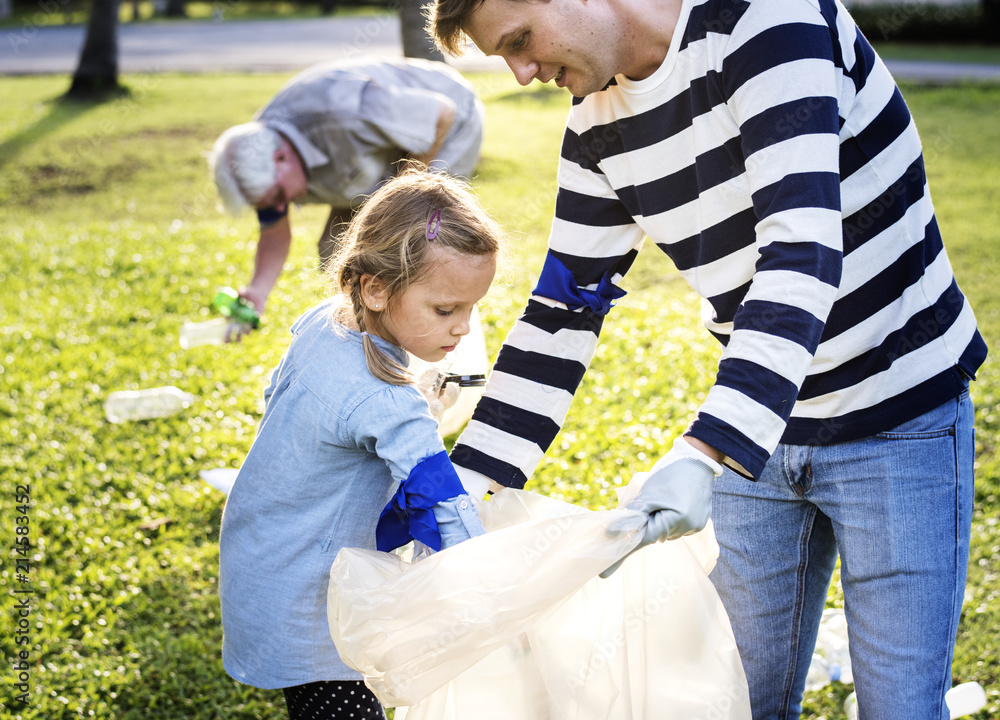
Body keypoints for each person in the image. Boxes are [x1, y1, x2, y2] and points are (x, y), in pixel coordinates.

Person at [428, 0, 988, 717]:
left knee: (901, 708)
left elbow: (802, 255)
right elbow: (563, 316)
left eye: (521, 41)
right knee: (734, 699)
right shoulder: (596, 128)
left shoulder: (768, 22)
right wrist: (460, 497)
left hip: (899, 416)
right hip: (761, 433)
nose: (522, 72)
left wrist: (705, 450)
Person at [217, 169, 505, 719]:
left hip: (262, 557)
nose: (465, 328)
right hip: (320, 608)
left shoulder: (325, 323)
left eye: (472, 308)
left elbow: (276, 393)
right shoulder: (390, 405)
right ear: (375, 287)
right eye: (445, 310)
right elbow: (444, 508)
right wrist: (493, 601)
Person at [209, 57, 485, 320]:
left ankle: (439, 328)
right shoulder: (258, 154)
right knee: (335, 248)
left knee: (410, 243)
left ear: (281, 157)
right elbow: (274, 232)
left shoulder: (344, 112)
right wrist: (258, 292)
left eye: (279, 197)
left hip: (445, 125)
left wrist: (399, 198)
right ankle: (361, 336)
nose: (280, 207)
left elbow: (441, 113)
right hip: (369, 156)